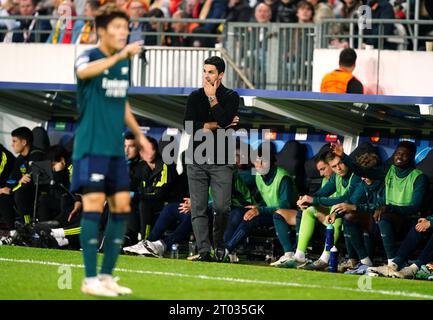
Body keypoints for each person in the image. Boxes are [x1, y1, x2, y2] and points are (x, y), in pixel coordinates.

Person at [71, 3, 151, 297]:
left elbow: (122, 102)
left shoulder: (122, 62)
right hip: (91, 147)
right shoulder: (88, 55)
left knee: (121, 209)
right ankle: (89, 278)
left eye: (125, 27)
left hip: (115, 149)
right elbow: (84, 72)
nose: (123, 32)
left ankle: (106, 277)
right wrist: (120, 55)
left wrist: (140, 134)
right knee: (93, 207)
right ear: (102, 31)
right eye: (117, 27)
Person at [331, 140, 428, 274]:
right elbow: (362, 171)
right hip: (386, 218)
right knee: (349, 216)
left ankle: (392, 264)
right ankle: (365, 262)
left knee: (384, 215)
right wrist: (343, 157)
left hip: (407, 221)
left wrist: (389, 208)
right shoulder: (389, 171)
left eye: (404, 154)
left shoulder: (419, 177)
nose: (399, 156)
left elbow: (415, 207)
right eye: (397, 153)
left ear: (412, 157)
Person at [183, 56, 240, 262]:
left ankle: (220, 246)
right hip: (196, 159)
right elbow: (189, 126)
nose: (207, 76)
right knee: (198, 208)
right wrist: (215, 125)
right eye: (205, 71)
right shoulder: (194, 97)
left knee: (222, 207)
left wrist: (213, 99)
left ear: (221, 75)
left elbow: (226, 119)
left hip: (222, 160)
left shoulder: (232, 96)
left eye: (211, 72)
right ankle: (204, 251)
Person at [281, 150, 361, 269]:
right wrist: (306, 201)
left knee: (336, 208)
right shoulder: (336, 176)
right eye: (334, 166)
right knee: (309, 210)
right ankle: (299, 256)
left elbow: (345, 198)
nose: (338, 168)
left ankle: (325, 259)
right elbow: (321, 194)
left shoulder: (356, 176)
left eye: (340, 163)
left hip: (358, 216)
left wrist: (314, 200)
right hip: (339, 216)